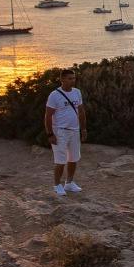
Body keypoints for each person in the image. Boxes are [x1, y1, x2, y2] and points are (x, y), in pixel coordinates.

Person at [43, 68, 87, 197]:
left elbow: (81, 110)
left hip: (74, 130)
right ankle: (57, 185)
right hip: (60, 131)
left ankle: (69, 182)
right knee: (60, 160)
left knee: (73, 158)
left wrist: (83, 128)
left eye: (74, 78)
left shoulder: (77, 92)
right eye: (69, 78)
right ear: (62, 79)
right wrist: (50, 133)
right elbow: (48, 116)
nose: (72, 81)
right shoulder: (54, 95)